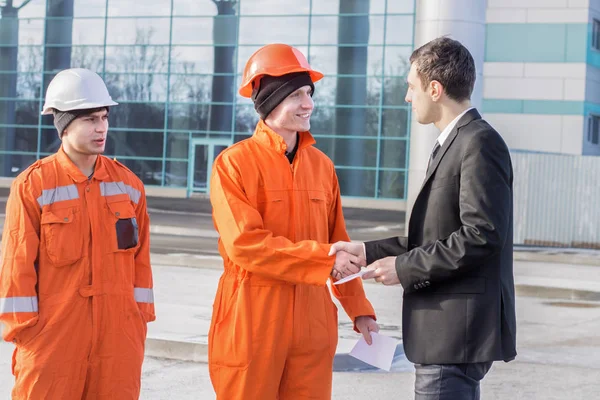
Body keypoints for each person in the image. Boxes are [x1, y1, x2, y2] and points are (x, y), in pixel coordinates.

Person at [330, 37, 517, 399]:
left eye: (411, 86)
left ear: (435, 89)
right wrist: (365, 251)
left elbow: (481, 235)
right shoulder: (453, 143)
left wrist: (403, 268)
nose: (407, 97)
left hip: (452, 335)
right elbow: (434, 236)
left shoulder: (477, 143)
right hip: (445, 334)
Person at [208, 43, 379, 399]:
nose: (309, 104)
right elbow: (245, 245)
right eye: (297, 95)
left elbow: (339, 242)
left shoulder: (322, 167)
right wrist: (324, 258)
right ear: (269, 101)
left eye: (309, 93)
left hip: (312, 321)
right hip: (254, 320)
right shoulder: (233, 165)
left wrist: (359, 308)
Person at [0, 68, 155, 399]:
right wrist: (27, 333)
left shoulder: (129, 186)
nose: (101, 128)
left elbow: (141, 264)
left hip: (118, 340)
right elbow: (17, 266)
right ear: (64, 126)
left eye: (103, 117)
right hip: (53, 341)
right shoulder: (34, 185)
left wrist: (136, 322)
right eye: (89, 120)